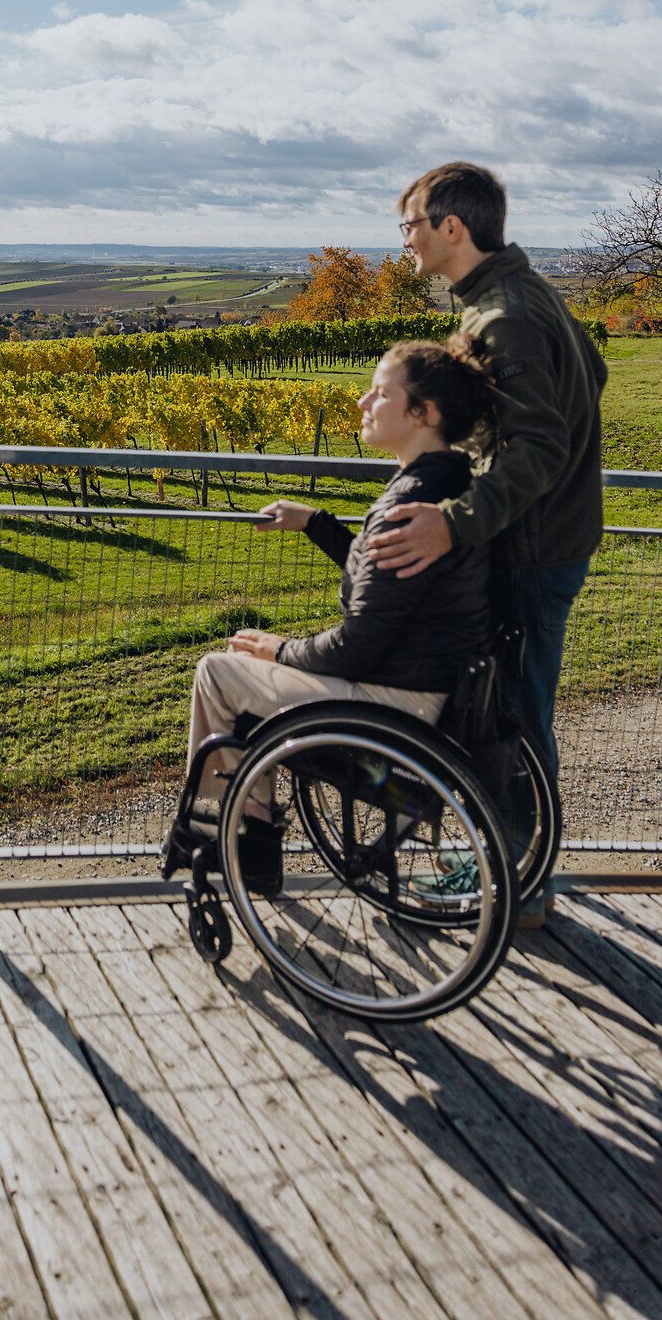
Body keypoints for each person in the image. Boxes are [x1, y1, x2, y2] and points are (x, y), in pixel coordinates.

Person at [367, 161, 607, 926]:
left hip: (530, 552)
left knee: (509, 719)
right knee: (499, 711)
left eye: (408, 225)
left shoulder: (503, 315)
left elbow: (538, 445)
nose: (403, 240)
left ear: (450, 228)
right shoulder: (518, 296)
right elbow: (592, 374)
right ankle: (500, 870)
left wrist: (458, 518)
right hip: (544, 538)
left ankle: (514, 884)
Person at [186, 339, 494, 896]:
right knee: (242, 663)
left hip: (392, 704)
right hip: (425, 689)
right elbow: (386, 584)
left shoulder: (409, 504)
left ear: (422, 414)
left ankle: (240, 835)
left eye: (381, 393)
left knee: (219, 670)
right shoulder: (446, 487)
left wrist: (280, 649)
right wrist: (318, 524)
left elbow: (358, 645)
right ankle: (248, 826)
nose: (362, 402)